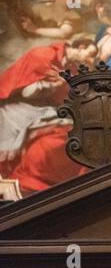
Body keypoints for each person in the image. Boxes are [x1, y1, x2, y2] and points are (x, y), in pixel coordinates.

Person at [0, 39, 98, 196]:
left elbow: (65, 100)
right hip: (18, 107)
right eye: (91, 55)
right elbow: (26, 92)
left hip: (42, 108)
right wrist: (54, 86)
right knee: (51, 142)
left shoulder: (71, 68)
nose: (91, 60)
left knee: (70, 134)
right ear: (81, 47)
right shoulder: (42, 55)